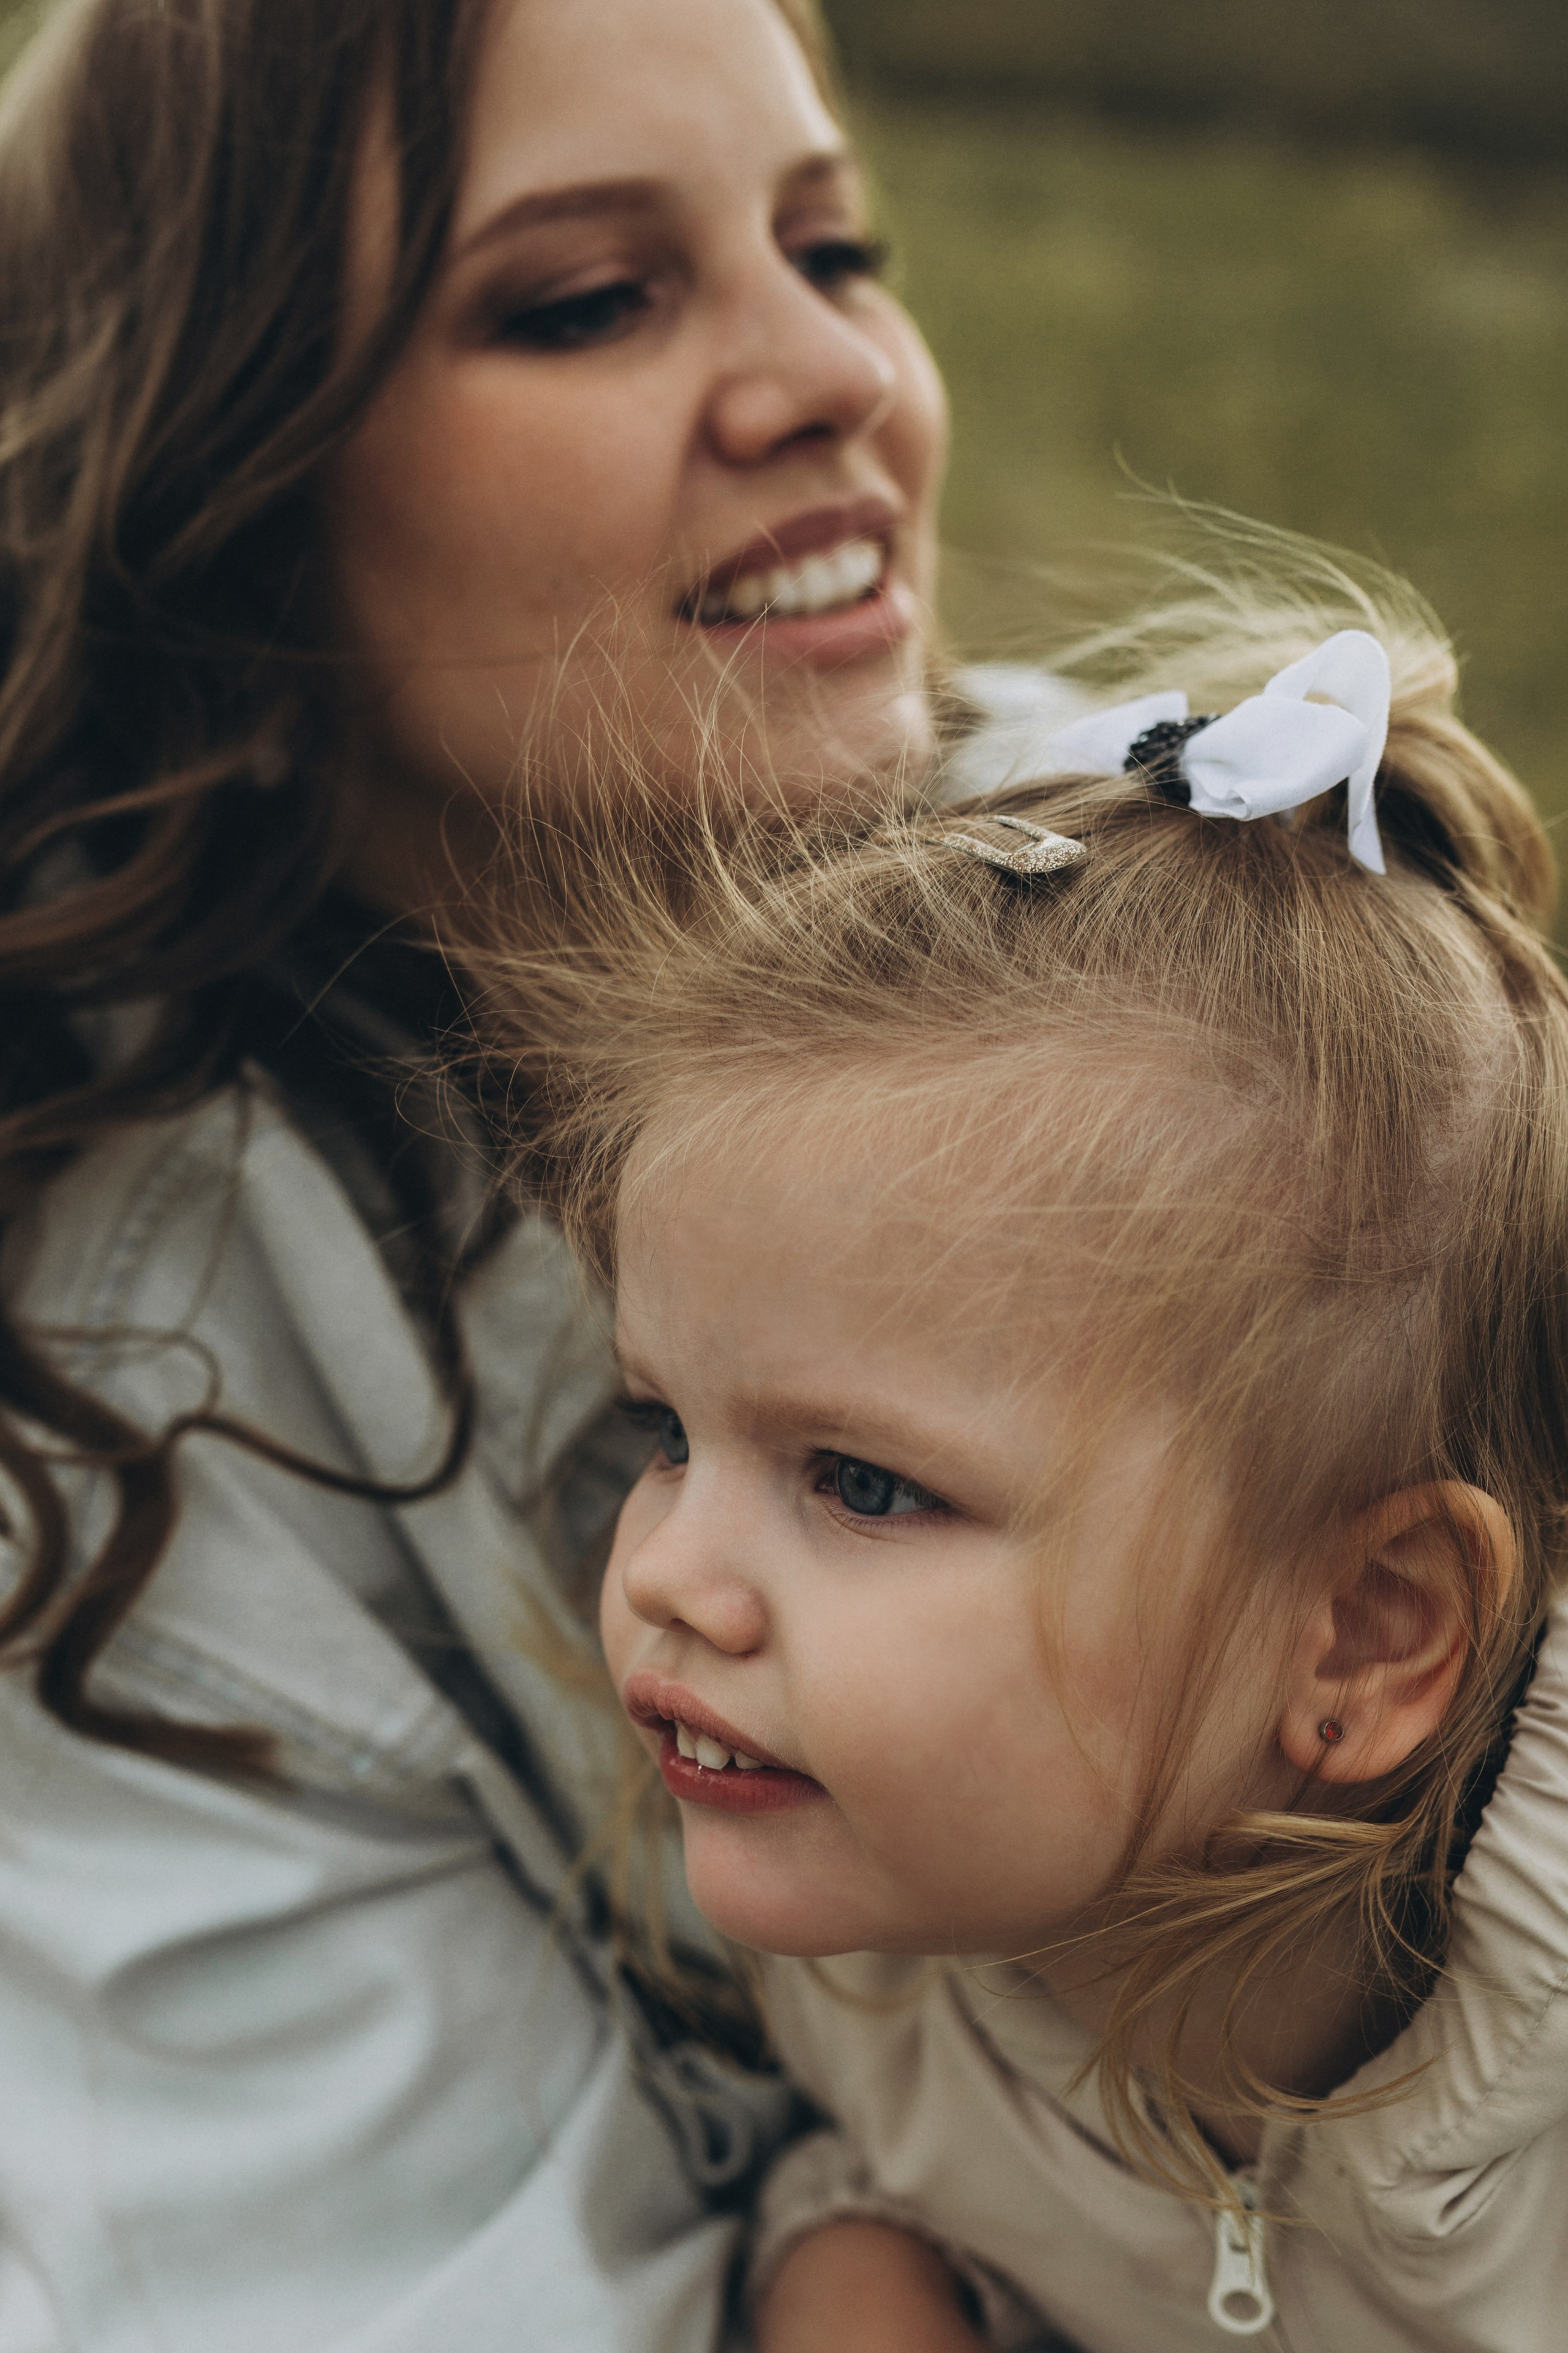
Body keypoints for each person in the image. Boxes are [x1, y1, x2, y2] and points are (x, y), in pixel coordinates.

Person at [0, 0, 998, 2344]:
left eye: (834, 248)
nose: (822, 376)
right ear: (231, 498)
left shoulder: (1205, 956)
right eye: (585, 301)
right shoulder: (118, 1389)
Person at [498, 548, 1568, 2352]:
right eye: (669, 1430)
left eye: (864, 1481)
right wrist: (855, 2282)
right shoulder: (888, 1912)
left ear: (1368, 1629)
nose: (667, 1567)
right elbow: (913, 2174)